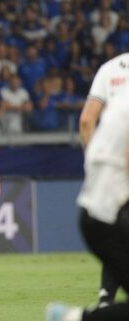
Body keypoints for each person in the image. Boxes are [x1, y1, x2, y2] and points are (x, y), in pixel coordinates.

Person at [45, 89, 129, 321]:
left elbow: (86, 121)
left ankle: (73, 317)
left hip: (98, 207)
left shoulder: (120, 90)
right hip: (114, 210)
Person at [78, 52, 129, 308]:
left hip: (95, 199)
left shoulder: (110, 69)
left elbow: (87, 120)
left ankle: (102, 301)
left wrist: (94, 163)